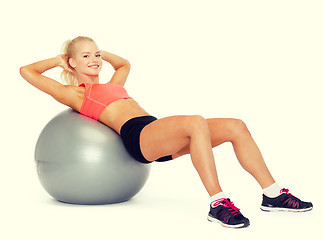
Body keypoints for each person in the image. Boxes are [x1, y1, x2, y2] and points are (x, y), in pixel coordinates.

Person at [20, 36, 313, 228]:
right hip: (138, 137)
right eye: (86, 56)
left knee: (236, 126)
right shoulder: (75, 93)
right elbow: (26, 71)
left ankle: (272, 195)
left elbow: (124, 63)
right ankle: (218, 202)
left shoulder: (115, 83)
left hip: (156, 130)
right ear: (72, 62)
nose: (95, 60)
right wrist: (61, 59)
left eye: (96, 54)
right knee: (195, 120)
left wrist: (97, 51)